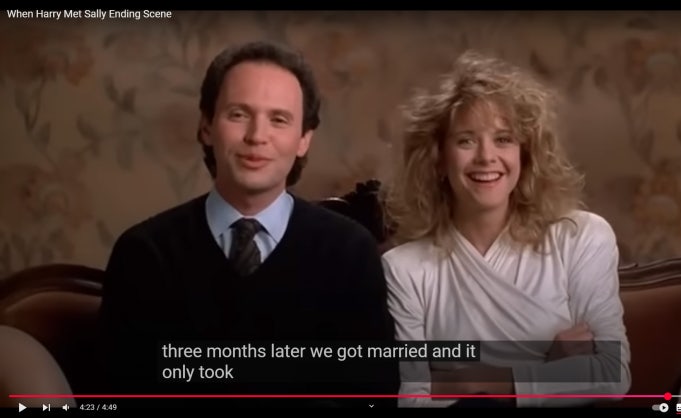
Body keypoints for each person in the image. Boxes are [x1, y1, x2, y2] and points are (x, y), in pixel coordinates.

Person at [98, 41, 398, 408]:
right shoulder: (144, 254)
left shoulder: (350, 252)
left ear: (304, 140)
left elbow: (373, 398)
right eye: (238, 114)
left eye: (279, 119)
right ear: (206, 126)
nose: (257, 136)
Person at [381, 50, 631, 408]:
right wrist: (548, 370)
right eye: (466, 140)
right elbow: (411, 401)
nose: (486, 156)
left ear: (525, 155)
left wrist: (474, 382)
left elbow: (611, 374)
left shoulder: (581, 237)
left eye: (503, 139)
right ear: (438, 159)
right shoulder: (404, 269)